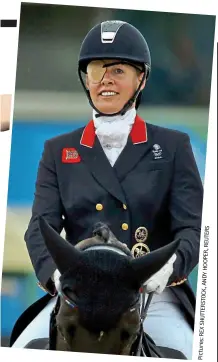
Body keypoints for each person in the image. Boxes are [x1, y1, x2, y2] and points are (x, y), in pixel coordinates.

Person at [11, 20, 203, 359]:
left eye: (117, 70)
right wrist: (60, 275)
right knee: (23, 346)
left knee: (191, 351)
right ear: (86, 79)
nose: (105, 81)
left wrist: (168, 267)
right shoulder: (58, 150)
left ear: (140, 78)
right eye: (96, 70)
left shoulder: (173, 146)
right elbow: (39, 229)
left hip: (150, 294)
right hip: (77, 294)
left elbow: (193, 228)